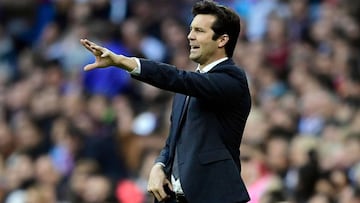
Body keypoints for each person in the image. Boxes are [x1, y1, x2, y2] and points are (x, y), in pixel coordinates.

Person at [80, 0, 251, 202]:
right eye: (190, 29)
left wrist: (123, 61)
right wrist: (159, 165)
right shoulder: (185, 90)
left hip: (215, 196)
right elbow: (173, 143)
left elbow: (178, 78)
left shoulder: (231, 79)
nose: (190, 36)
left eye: (199, 30)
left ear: (222, 40)